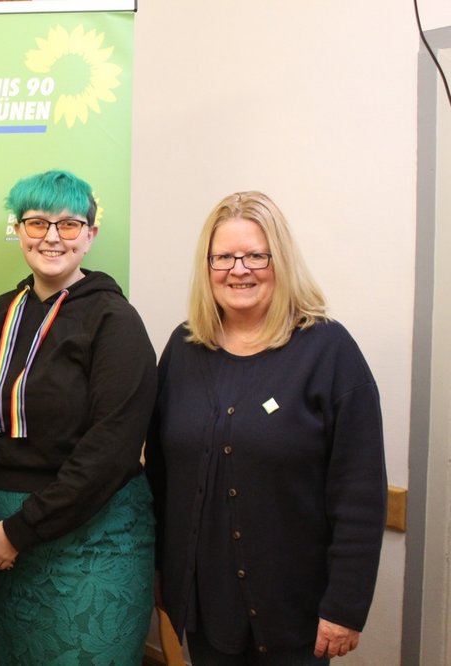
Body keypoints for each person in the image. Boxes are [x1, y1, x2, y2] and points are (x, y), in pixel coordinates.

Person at [145, 191, 387, 664]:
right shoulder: (183, 347)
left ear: (282, 261)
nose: (239, 270)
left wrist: (345, 606)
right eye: (223, 257)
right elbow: (160, 476)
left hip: (294, 613)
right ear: (207, 266)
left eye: (256, 255)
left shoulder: (328, 351)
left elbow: (359, 492)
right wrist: (162, 573)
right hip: (203, 609)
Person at [0, 170, 158, 664]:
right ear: (18, 229)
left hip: (89, 539)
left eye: (69, 224)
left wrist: (19, 532)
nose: (52, 237)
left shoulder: (115, 322)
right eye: (37, 222)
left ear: (91, 234)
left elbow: (111, 448)